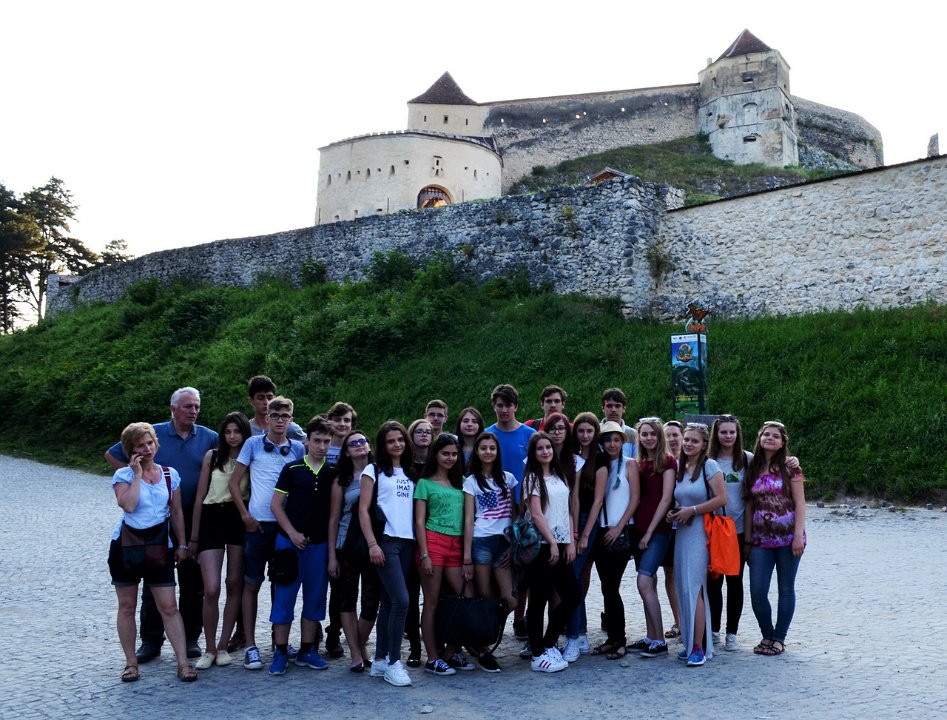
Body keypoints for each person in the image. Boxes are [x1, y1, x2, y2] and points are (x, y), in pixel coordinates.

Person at [104, 387, 218, 663]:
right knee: (153, 583)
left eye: (197, 406)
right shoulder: (152, 432)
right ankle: (151, 640)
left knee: (192, 580)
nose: (193, 411)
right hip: (155, 519)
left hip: (193, 513)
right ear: (173, 409)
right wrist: (134, 476)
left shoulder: (208, 436)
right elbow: (112, 454)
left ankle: (190, 637)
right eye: (188, 406)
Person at [108, 422, 196, 683]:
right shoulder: (123, 476)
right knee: (127, 606)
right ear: (130, 451)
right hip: (127, 545)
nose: (147, 449)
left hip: (159, 545)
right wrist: (136, 474)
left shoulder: (169, 474)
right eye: (140, 446)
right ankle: (131, 663)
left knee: (169, 606)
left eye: (150, 443)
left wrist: (182, 544)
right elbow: (129, 505)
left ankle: (183, 663)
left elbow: (177, 512)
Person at [226, 396, 306, 671]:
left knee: (281, 584)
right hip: (258, 525)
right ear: (267, 418)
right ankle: (250, 645)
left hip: (285, 526)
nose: (280, 420)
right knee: (252, 584)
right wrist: (245, 515)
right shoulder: (252, 444)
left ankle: (278, 641)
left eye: (285, 416)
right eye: (275, 415)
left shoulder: (298, 448)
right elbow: (234, 482)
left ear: (291, 420)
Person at [267, 416, 335, 675]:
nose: (321, 446)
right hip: (288, 543)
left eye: (326, 441)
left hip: (319, 545)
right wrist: (292, 533)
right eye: (317, 441)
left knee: (315, 598)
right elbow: (276, 505)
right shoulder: (292, 469)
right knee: (284, 598)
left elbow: (333, 515)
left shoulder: (332, 473)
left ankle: (307, 649)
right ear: (307, 441)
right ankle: (281, 651)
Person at [190, 411, 252, 670]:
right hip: (211, 517)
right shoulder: (213, 456)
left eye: (237, 431)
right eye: (228, 432)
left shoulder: (250, 458)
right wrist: (194, 537)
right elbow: (200, 497)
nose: (232, 436)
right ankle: (209, 648)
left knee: (234, 583)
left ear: (245, 434)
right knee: (211, 588)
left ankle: (224, 645)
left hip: (238, 517)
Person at [360, 420, 415, 687]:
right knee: (402, 601)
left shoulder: (411, 472)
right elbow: (363, 510)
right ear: (382, 444)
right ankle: (394, 662)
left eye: (400, 439)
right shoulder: (373, 470)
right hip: (386, 541)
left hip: (408, 542)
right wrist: (372, 544)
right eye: (391, 441)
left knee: (389, 602)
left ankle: (380, 659)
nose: (397, 444)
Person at [666, 422, 727, 667]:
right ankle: (691, 642)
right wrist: (674, 513)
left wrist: (692, 510)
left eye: (694, 440)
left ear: (704, 445)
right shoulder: (681, 467)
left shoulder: (709, 466)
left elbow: (722, 498)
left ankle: (699, 647)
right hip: (682, 533)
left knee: (694, 588)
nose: (689, 444)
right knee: (683, 587)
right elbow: (679, 499)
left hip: (701, 533)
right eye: (687, 439)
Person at [744, 421, 806, 657]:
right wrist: (747, 541)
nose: (770, 438)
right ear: (760, 439)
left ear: (782, 443)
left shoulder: (791, 469)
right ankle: (767, 634)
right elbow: (749, 506)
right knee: (757, 591)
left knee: (786, 589)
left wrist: (798, 536)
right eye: (766, 435)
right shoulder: (752, 468)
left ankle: (778, 639)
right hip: (760, 541)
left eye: (775, 436)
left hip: (789, 538)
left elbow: (800, 503)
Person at [414, 433, 474, 676]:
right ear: (435, 455)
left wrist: (467, 556)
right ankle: (432, 658)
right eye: (445, 453)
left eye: (454, 454)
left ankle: (451, 652)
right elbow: (419, 522)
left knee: (466, 596)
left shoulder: (463, 482)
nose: (450, 458)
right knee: (431, 602)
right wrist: (424, 554)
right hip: (433, 542)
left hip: (457, 544)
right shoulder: (424, 483)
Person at [522, 432, 580, 673]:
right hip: (542, 545)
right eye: (540, 448)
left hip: (562, 543)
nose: (545, 451)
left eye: (548, 447)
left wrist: (570, 541)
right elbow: (536, 514)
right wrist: (552, 542)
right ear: (533, 453)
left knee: (573, 595)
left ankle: (548, 643)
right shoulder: (532, 478)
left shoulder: (559, 476)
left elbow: (566, 511)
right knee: (538, 599)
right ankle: (537, 654)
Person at [462, 431, 518, 673]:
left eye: (492, 448)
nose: (488, 452)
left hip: (503, 543)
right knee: (484, 597)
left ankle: (483, 636)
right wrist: (466, 556)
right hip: (481, 542)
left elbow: (514, 515)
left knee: (510, 600)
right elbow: (468, 519)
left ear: (497, 452)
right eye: (483, 448)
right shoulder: (471, 481)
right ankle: (483, 648)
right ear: (477, 451)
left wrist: (513, 544)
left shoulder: (508, 479)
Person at [484, 384, 535, 639]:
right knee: (498, 565)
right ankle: (492, 618)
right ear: (494, 407)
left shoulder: (529, 435)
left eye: (508, 405)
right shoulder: (488, 435)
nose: (504, 410)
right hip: (494, 509)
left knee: (522, 566)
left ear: (516, 406)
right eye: (500, 405)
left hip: (523, 507)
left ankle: (520, 618)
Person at [327, 430, 381, 672]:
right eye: (353, 443)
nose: (359, 445)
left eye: (362, 441)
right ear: (346, 452)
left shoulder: (381, 473)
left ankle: (360, 643)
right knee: (347, 598)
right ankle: (355, 653)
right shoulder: (342, 480)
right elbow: (333, 519)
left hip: (374, 543)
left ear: (369, 446)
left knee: (371, 601)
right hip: (345, 543)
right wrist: (331, 556)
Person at [626, 417, 676, 658]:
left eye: (652, 434)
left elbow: (666, 499)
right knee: (650, 583)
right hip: (639, 529)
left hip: (657, 531)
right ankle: (651, 636)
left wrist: (649, 531)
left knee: (643, 582)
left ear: (659, 436)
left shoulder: (667, 461)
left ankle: (660, 642)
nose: (648, 438)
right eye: (644, 434)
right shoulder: (639, 462)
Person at [591, 421, 639, 659]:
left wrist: (619, 527)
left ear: (622, 442)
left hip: (620, 530)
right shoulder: (599, 464)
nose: (612, 444)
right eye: (608, 440)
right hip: (601, 530)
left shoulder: (630, 464)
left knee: (611, 586)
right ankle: (612, 637)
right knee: (606, 587)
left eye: (616, 440)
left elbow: (635, 499)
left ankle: (619, 639)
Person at [707, 414, 753, 652]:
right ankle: (713, 630)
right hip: (713, 530)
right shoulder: (708, 460)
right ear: (716, 435)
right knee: (713, 582)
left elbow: (750, 500)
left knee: (735, 582)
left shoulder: (747, 459)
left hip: (738, 530)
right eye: (723, 432)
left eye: (732, 432)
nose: (728, 436)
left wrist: (748, 540)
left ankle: (731, 633)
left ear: (738, 434)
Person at [564, 412, 607, 659]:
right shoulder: (571, 456)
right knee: (574, 577)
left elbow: (598, 500)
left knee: (573, 576)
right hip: (568, 518)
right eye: (581, 431)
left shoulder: (600, 459)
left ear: (595, 433)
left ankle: (575, 635)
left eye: (589, 431)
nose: (585, 435)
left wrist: (584, 535)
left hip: (587, 521)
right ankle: (579, 633)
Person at [323, 400, 358, 657]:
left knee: (342, 586)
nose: (342, 424)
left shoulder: (355, 450)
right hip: (319, 518)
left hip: (345, 523)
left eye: (347, 420)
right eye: (338, 419)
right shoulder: (321, 446)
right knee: (321, 584)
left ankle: (336, 633)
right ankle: (317, 631)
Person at [661, 420, 684, 641]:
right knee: (670, 573)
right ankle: (679, 621)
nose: (672, 439)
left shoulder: (692, 461)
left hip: (689, 526)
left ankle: (696, 620)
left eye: (675, 435)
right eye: (667, 435)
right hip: (668, 526)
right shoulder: (662, 462)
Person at [246, 375, 306, 441]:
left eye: (269, 398)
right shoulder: (245, 429)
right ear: (251, 401)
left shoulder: (288, 427)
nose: (266, 402)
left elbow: (309, 442)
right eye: (261, 398)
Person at [600, 388, 639, 457]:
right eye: (609, 406)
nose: (613, 410)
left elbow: (637, 460)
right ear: (603, 408)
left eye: (617, 406)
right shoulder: (594, 432)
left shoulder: (633, 435)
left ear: (624, 408)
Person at [325, 402, 357, 467]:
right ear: (329, 422)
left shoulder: (358, 449)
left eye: (346, 420)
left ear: (352, 424)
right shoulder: (320, 447)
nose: (342, 424)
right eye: (337, 420)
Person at [454, 406, 485, 471]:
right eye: (466, 421)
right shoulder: (452, 446)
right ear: (459, 424)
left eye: (474, 421)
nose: (470, 424)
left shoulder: (486, 448)